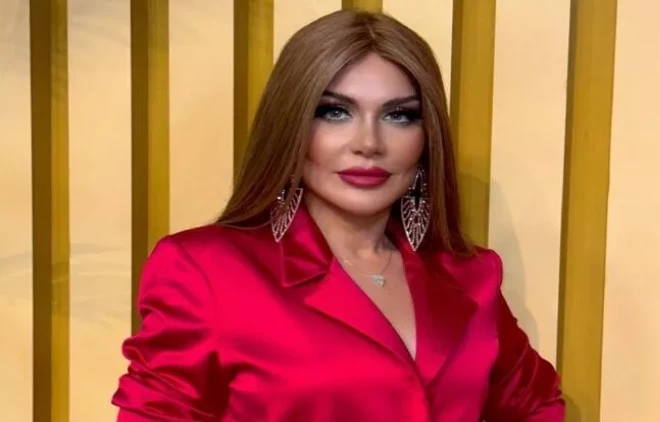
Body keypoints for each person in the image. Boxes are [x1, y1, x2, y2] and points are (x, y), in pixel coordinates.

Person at [111, 9, 564, 422]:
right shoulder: (205, 269)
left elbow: (537, 405)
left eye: (399, 116)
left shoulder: (471, 275)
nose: (368, 143)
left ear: (428, 139)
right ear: (291, 127)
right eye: (334, 112)